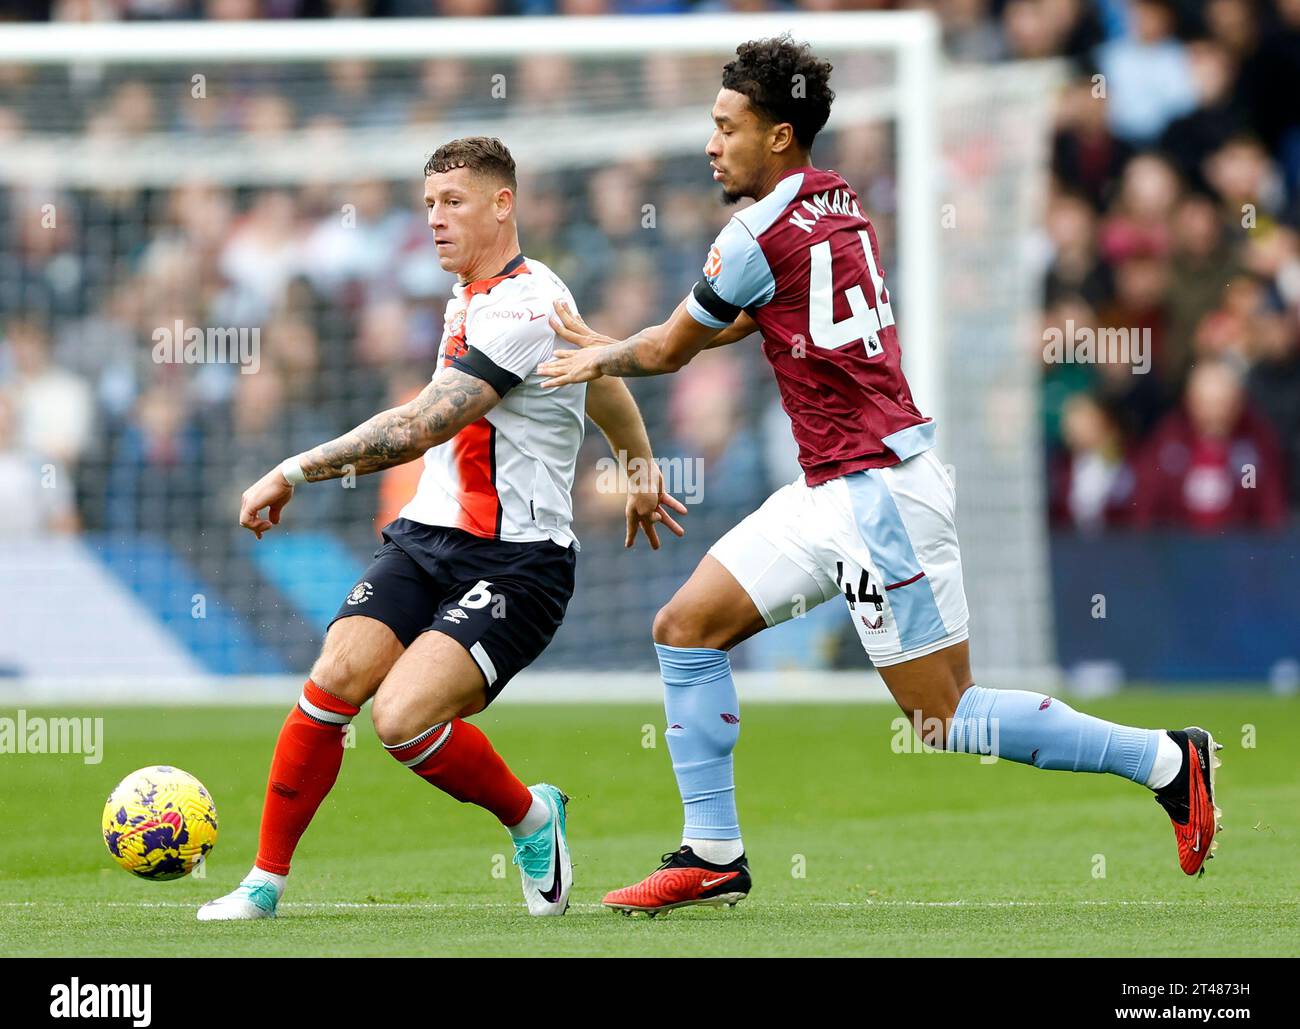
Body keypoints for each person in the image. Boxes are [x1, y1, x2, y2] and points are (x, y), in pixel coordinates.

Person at [539, 37, 1223, 915]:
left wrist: (599, 358)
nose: (711, 144)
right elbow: (756, 315)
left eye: (727, 127)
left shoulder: (750, 233)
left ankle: (1167, 759)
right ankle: (713, 852)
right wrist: (625, 344)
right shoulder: (837, 199)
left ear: (778, 135)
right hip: (828, 488)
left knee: (943, 716)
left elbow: (673, 349)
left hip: (878, 493)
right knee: (686, 627)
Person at [198, 137, 684, 921]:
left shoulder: (525, 306)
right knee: (335, 676)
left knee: (400, 718)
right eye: (428, 203)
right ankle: (263, 882)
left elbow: (419, 427)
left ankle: (532, 816)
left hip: (519, 563)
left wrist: (293, 470)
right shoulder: (472, 295)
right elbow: (597, 376)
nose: (434, 218)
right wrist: (639, 467)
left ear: (503, 204)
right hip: (425, 538)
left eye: (453, 201)